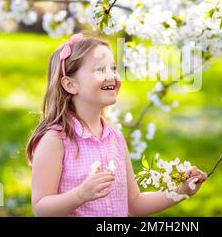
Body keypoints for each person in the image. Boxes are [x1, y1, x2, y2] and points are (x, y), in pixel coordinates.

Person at [26, 32, 207, 217]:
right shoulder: (56, 140)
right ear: (70, 84)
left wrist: (181, 191)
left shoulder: (115, 138)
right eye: (100, 69)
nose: (112, 76)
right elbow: (41, 208)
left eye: (113, 68)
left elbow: (134, 204)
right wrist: (79, 195)